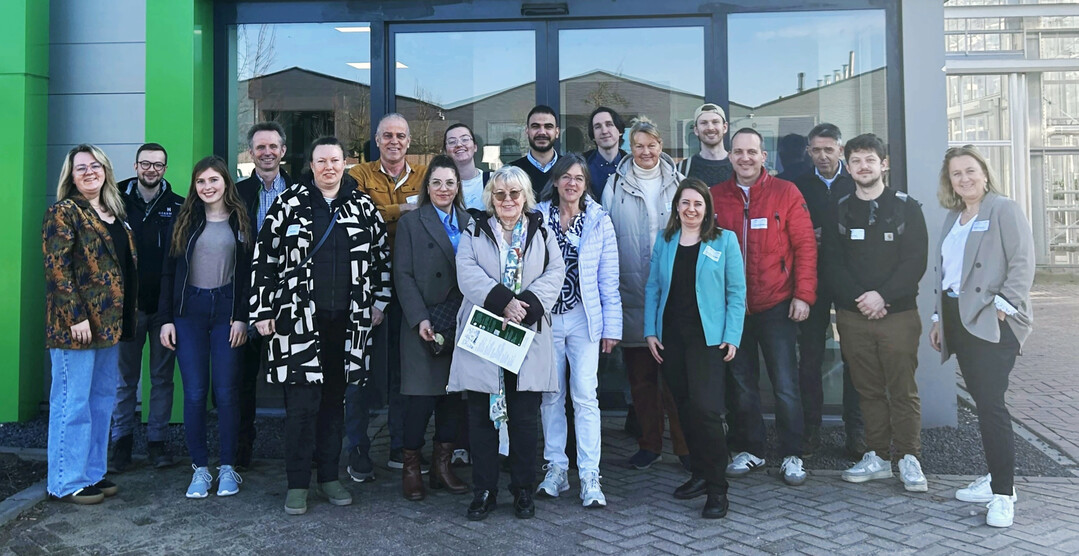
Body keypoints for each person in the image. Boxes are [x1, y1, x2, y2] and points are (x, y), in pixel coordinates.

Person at [250, 136, 392, 515]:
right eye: (321, 161)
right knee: (300, 407)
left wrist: (379, 302)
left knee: (334, 404)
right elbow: (263, 259)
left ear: (345, 163)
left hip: (347, 325)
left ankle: (329, 476)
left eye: (335, 160)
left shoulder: (363, 207)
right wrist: (262, 310)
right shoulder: (288, 204)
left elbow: (380, 260)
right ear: (310, 165)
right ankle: (297, 484)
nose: (328, 167)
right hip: (297, 325)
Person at [448, 165, 565, 521]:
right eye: (500, 194)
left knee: (525, 418)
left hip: (525, 335)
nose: (508, 200)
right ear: (491, 198)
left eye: (515, 193)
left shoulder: (541, 230)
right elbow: (466, 270)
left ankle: (523, 489)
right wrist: (502, 302)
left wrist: (524, 307)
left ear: (525, 196)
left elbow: (555, 272)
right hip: (486, 333)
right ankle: (484, 490)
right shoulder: (474, 228)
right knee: (482, 418)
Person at [930, 145, 1035, 528]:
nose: (964, 178)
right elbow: (945, 274)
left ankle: (1004, 494)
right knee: (981, 402)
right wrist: (938, 317)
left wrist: (1003, 310)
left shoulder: (1003, 209)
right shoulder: (953, 217)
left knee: (990, 405)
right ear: (950, 181)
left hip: (991, 321)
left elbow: (1023, 262)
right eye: (956, 173)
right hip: (959, 318)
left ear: (984, 173)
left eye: (970, 170)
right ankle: (995, 476)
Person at [820, 134, 929, 492]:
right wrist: (859, 298)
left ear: (884, 164)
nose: (863, 166)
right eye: (856, 160)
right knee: (867, 389)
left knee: (902, 388)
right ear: (846, 166)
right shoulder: (839, 208)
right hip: (853, 317)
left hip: (898, 314)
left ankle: (909, 457)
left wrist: (881, 296)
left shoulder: (906, 207)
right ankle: (878, 455)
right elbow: (832, 263)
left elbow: (915, 262)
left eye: (870, 159)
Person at [712, 128, 816, 486]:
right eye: (738, 152)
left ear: (763, 156)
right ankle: (751, 448)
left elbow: (805, 246)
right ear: (730, 156)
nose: (745, 158)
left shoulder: (786, 193)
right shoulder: (715, 197)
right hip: (734, 309)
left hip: (777, 303)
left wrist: (803, 295)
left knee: (786, 383)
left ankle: (792, 454)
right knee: (741, 383)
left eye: (751, 152)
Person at [645, 178, 746, 519]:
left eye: (697, 204)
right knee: (685, 410)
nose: (691, 209)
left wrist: (732, 335)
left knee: (706, 411)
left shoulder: (724, 240)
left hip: (708, 340)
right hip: (671, 339)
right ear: (677, 207)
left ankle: (718, 489)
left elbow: (736, 293)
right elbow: (653, 289)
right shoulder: (666, 240)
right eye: (685, 203)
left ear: (707, 209)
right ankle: (700, 474)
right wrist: (650, 331)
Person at [43, 144, 135, 504]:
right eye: (80, 168)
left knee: (100, 402)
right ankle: (65, 481)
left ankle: (92, 473)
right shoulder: (64, 213)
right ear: (71, 175)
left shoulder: (113, 213)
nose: (89, 172)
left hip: (109, 327)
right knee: (72, 402)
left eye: (95, 166)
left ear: (106, 171)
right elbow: (57, 270)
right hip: (76, 328)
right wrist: (75, 316)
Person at [159, 156, 252, 499]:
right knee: (196, 393)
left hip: (226, 311)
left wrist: (242, 316)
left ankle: (228, 467)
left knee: (227, 392)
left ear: (226, 183)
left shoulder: (241, 219)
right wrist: (166, 319)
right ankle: (200, 468)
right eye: (201, 182)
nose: (208, 187)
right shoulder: (186, 221)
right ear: (194, 187)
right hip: (189, 313)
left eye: (214, 180)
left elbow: (247, 276)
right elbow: (170, 274)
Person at [601, 117, 690, 471]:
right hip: (633, 291)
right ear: (629, 148)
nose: (646, 151)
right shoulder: (614, 186)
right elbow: (607, 238)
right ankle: (649, 446)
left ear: (661, 145)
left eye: (652, 144)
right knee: (642, 381)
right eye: (639, 145)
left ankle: (685, 449)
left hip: (673, 295)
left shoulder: (679, 183)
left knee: (676, 380)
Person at [535, 154, 622, 508]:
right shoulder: (535, 216)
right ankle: (556, 468)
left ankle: (590, 475)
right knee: (550, 396)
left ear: (586, 184)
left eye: (579, 178)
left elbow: (608, 277)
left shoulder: (599, 220)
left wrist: (611, 326)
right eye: (565, 177)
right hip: (546, 319)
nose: (572, 183)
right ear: (555, 181)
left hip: (585, 319)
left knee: (586, 396)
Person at [347, 113, 425, 476]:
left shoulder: (425, 176)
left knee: (402, 370)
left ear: (409, 142)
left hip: (411, 285)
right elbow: (357, 216)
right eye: (387, 136)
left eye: (401, 136)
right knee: (359, 369)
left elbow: (431, 215)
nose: (394, 141)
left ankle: (399, 448)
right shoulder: (358, 175)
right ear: (376, 140)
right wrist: (404, 210)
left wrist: (388, 213)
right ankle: (358, 450)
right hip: (363, 285)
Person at [393, 155, 472, 501]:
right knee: (420, 401)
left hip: (459, 321)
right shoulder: (412, 223)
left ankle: (442, 466)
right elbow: (403, 274)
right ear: (428, 187)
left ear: (458, 187)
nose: (443, 189)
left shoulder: (471, 221)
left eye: (450, 183)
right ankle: (412, 468)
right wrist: (419, 317)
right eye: (436, 182)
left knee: (453, 399)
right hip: (424, 321)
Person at [109, 142, 183, 473]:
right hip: (128, 308)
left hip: (164, 310)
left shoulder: (178, 205)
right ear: (136, 165)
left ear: (165, 168)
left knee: (162, 378)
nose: (151, 170)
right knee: (125, 380)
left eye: (158, 165)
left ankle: (157, 444)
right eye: (145, 164)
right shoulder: (117, 201)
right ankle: (120, 445)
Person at [792, 123, 865, 458]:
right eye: (816, 150)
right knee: (810, 359)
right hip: (811, 279)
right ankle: (811, 430)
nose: (822, 156)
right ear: (809, 151)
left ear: (840, 149)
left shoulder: (857, 184)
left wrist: (835, 236)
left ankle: (856, 432)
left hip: (849, 280)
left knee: (854, 357)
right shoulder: (797, 184)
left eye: (829, 149)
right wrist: (809, 235)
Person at [236, 121, 293, 470]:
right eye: (260, 147)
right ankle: (242, 452)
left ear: (283, 151)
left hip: (289, 300)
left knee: (294, 380)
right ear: (251, 152)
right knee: (243, 381)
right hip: (246, 298)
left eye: (273, 146)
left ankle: (298, 454)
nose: (267, 152)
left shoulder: (302, 190)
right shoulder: (237, 193)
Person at [676, 103, 733, 187]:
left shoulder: (739, 165)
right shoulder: (682, 169)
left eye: (715, 122)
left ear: (725, 127)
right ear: (696, 130)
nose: (710, 128)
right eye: (704, 123)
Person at [510, 105, 561, 198]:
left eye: (548, 126)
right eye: (535, 126)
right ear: (527, 131)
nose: (542, 132)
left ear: (557, 132)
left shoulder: (569, 168)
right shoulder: (512, 171)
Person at [583, 106, 627, 199]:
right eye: (597, 127)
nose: (604, 131)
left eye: (609, 124)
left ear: (620, 131)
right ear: (593, 135)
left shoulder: (632, 166)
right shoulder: (582, 166)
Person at [444, 123, 488, 211]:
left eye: (465, 139)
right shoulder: (441, 186)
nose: (459, 145)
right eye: (452, 142)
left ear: (475, 147)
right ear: (445, 151)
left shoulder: (493, 180)